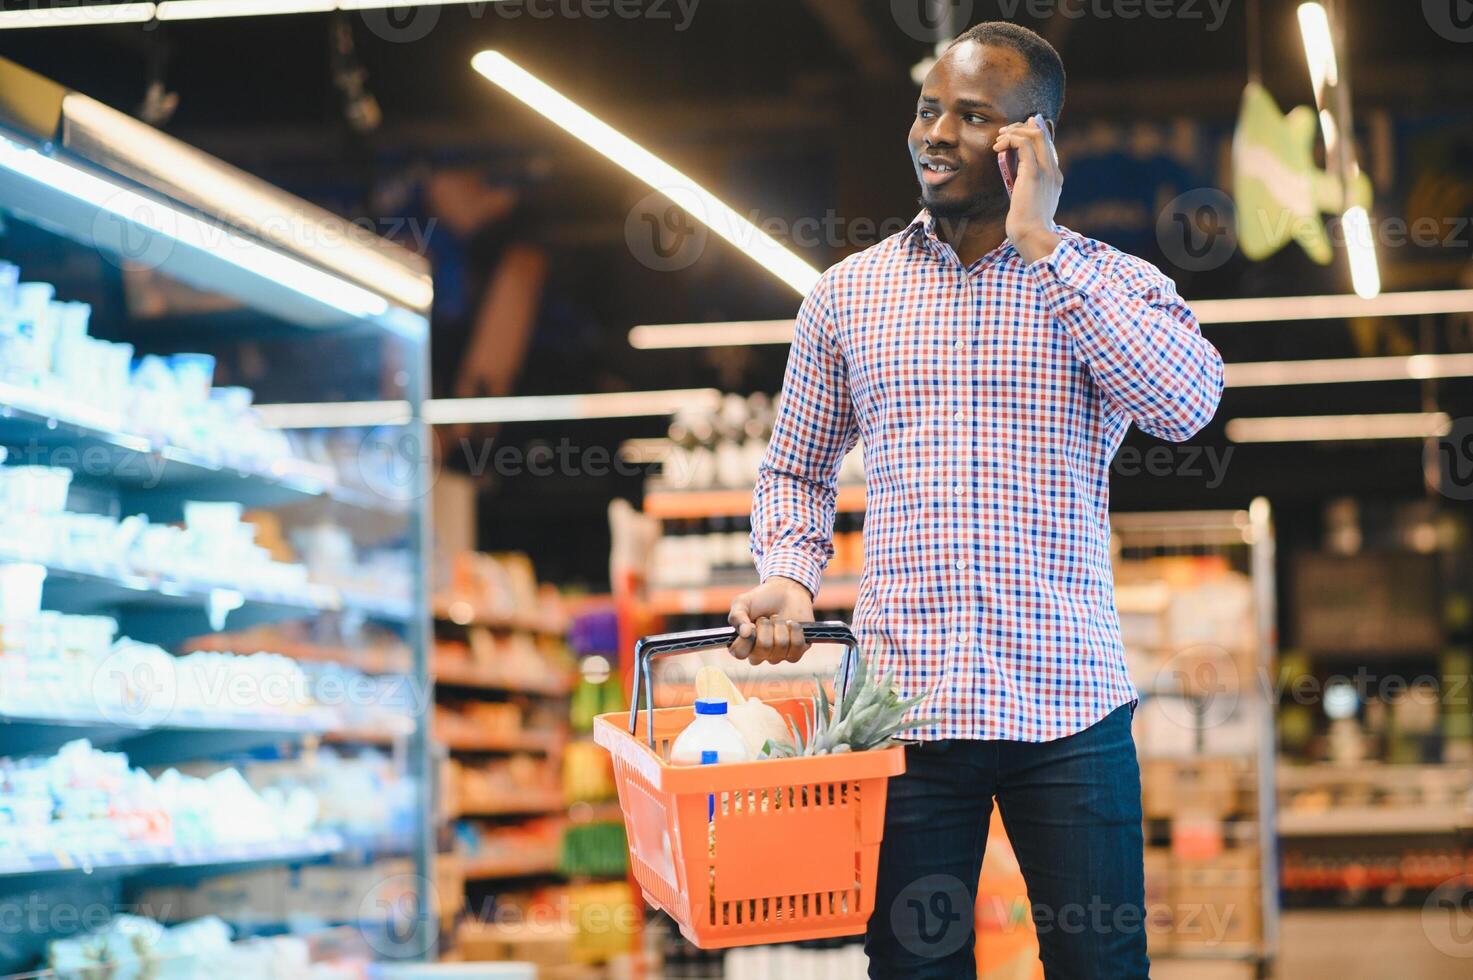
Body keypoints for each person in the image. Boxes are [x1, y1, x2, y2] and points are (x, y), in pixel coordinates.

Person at [726, 21, 1224, 980]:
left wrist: (1044, 243)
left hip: (1068, 705)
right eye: (927, 109)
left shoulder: (1107, 284)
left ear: (1028, 141)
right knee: (911, 970)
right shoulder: (846, 297)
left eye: (971, 115)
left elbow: (1185, 404)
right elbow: (796, 469)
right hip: (905, 712)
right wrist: (789, 581)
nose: (935, 133)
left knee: (1100, 964)